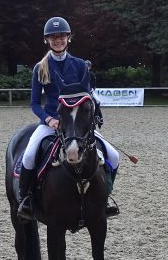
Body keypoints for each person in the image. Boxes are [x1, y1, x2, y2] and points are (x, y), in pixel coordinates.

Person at [15, 16, 120, 221]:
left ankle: (105, 197)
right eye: (53, 37)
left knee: (114, 156)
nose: (58, 40)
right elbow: (35, 103)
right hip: (52, 122)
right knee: (28, 156)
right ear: (47, 40)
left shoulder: (80, 65)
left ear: (68, 38)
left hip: (77, 124)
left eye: (61, 36)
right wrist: (48, 120)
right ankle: (25, 200)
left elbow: (89, 95)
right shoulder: (40, 68)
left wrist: (95, 115)